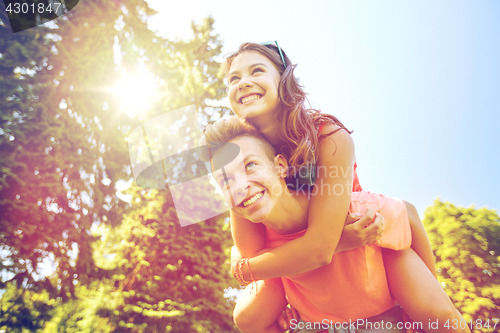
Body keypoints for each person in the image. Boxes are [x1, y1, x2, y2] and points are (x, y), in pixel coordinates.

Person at [202, 116, 469, 333]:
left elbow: (408, 214)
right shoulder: (258, 244)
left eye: (251, 166)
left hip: (381, 311)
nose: (241, 186)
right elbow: (245, 293)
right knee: (245, 315)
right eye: (226, 181)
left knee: (442, 318)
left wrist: (433, 290)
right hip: (316, 320)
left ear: (280, 166)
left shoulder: (349, 210)